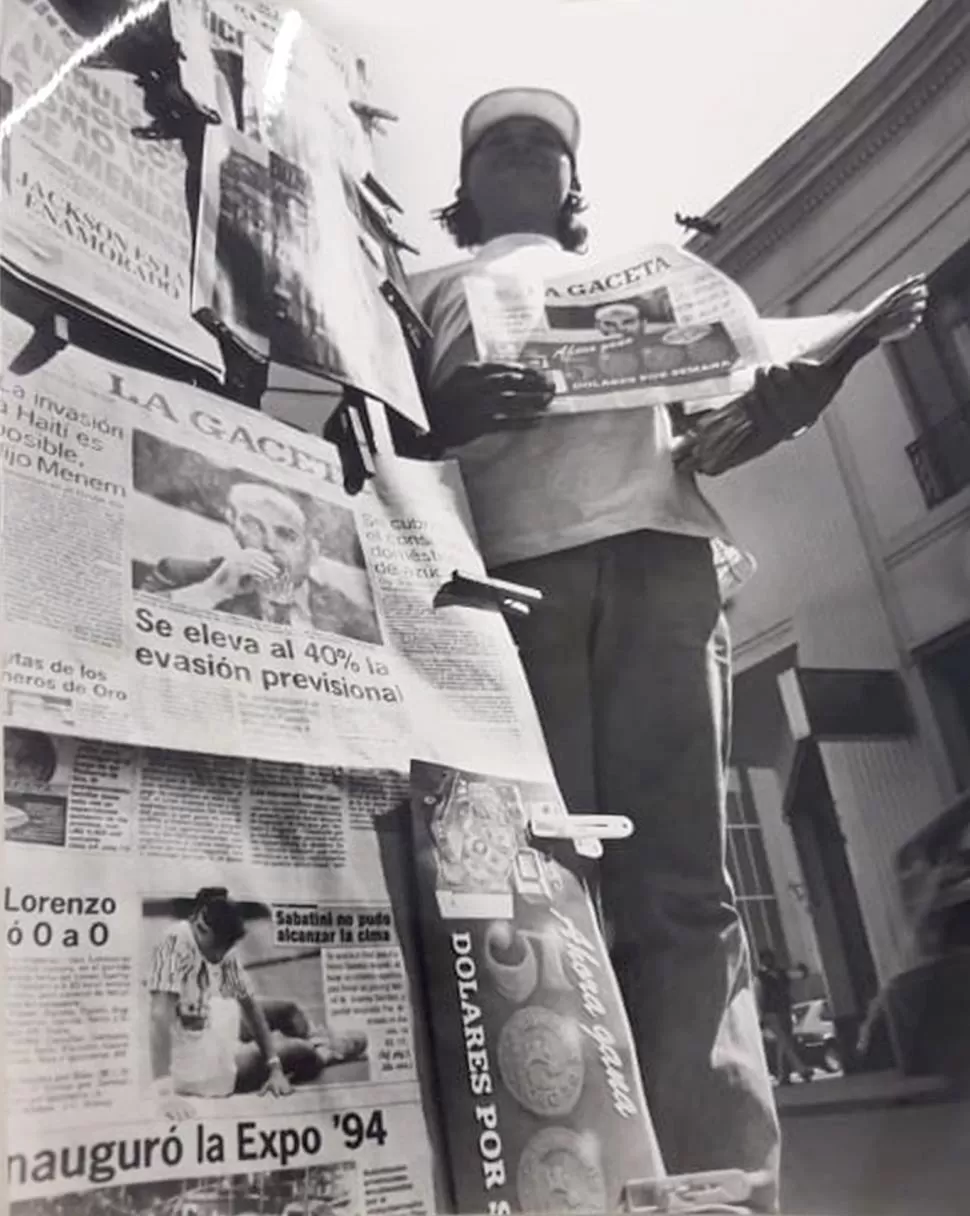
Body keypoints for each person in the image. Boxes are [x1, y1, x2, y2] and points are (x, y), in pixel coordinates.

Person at [407, 87, 927, 1212]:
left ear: (569, 180)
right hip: (503, 580)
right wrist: (438, 416)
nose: (524, 144)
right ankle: (562, 1184)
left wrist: (811, 379)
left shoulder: (653, 275)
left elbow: (717, 430)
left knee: (682, 892)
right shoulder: (422, 285)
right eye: (498, 135)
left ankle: (721, 1188)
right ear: (464, 182)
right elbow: (376, 431)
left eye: (547, 137)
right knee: (527, 891)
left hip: (663, 565)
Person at [147, 887, 366, 1120]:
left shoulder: (219, 946)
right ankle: (326, 1053)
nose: (221, 956)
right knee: (299, 1052)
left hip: (210, 1018)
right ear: (201, 927)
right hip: (197, 1066)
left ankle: (316, 1036)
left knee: (289, 1011)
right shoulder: (173, 944)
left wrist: (274, 1067)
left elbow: (249, 1006)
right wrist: (164, 1092)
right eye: (218, 950)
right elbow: (159, 1017)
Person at [136, 481, 380, 642]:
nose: (270, 545)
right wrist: (211, 592)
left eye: (286, 535)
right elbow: (131, 634)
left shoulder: (348, 614)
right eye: (253, 527)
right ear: (235, 528)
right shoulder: (179, 574)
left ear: (312, 552)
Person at [756, 951, 813, 1085]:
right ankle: (801, 1069)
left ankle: (783, 1076)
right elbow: (759, 997)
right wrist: (761, 1016)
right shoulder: (761, 977)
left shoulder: (779, 974)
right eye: (767, 959)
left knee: (783, 1044)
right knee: (785, 1041)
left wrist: (801, 968)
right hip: (771, 1013)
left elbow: (800, 974)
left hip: (784, 1011)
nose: (770, 961)